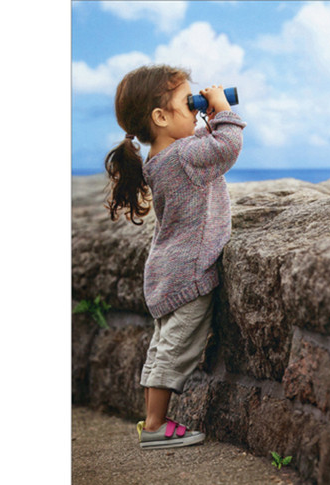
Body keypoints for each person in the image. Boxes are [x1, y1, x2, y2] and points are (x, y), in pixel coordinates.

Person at [104, 64, 246, 450]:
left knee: (163, 345)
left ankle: (151, 419)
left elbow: (201, 142)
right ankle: (154, 425)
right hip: (189, 272)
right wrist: (223, 111)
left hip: (169, 268)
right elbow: (227, 147)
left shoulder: (161, 158)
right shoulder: (184, 157)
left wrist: (208, 116)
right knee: (175, 349)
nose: (196, 107)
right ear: (161, 117)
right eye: (190, 102)